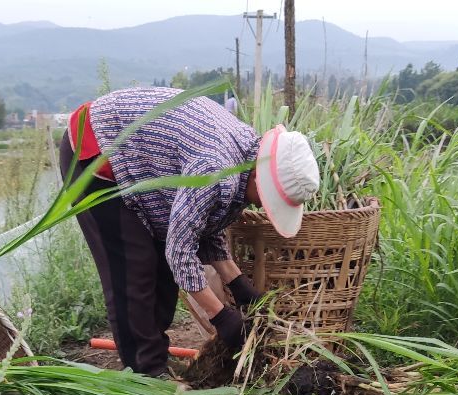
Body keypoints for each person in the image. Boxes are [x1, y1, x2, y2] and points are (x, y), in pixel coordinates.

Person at [59, 86, 320, 377]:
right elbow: (180, 250)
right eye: (267, 198)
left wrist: (236, 283)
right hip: (97, 151)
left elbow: (203, 221)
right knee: (134, 267)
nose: (262, 205)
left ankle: (152, 356)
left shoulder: (245, 154)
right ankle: (147, 374)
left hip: (140, 164)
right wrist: (222, 317)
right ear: (261, 178)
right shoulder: (215, 166)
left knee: (162, 276)